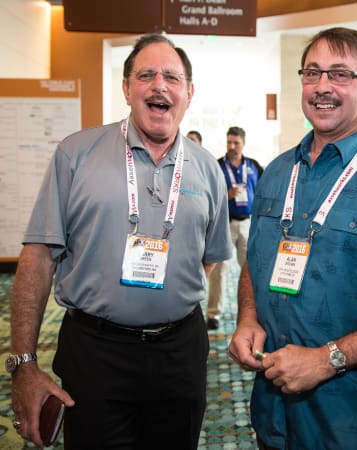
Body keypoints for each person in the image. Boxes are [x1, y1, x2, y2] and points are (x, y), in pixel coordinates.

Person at [7, 33, 232, 450]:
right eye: (146, 75)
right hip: (96, 353)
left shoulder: (207, 169)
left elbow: (210, 257)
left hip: (179, 354)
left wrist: (166, 299)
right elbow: (38, 258)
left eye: (172, 77)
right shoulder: (76, 154)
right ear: (127, 88)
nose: (159, 86)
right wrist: (23, 364)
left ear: (189, 93)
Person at [228, 27, 357, 450]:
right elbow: (256, 261)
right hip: (274, 415)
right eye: (313, 72)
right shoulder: (277, 172)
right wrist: (247, 317)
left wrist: (327, 360)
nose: (322, 86)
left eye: (340, 74)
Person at [206, 126, 263, 330]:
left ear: (243, 144)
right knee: (218, 271)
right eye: (229, 142)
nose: (231, 146)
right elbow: (207, 194)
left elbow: (264, 191)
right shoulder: (217, 165)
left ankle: (254, 313)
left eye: (236, 143)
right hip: (224, 225)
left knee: (251, 270)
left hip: (248, 224)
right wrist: (225, 195)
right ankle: (213, 313)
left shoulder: (253, 166)